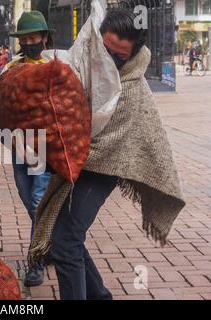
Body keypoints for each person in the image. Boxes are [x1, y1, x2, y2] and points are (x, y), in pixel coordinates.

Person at [31, 9, 185, 300]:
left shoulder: (131, 88)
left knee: (65, 242)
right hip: (81, 161)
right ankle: (100, 296)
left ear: (132, 56)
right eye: (106, 50)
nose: (110, 60)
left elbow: (112, 143)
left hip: (106, 165)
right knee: (67, 238)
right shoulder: (84, 67)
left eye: (119, 56)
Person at [0, 11, 55, 288]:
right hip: (18, 150)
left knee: (38, 202)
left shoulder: (57, 69)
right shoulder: (11, 70)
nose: (31, 42)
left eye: (35, 37)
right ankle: (52, 239)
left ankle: (38, 259)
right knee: (30, 200)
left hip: (45, 151)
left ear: (44, 38)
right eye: (26, 38)